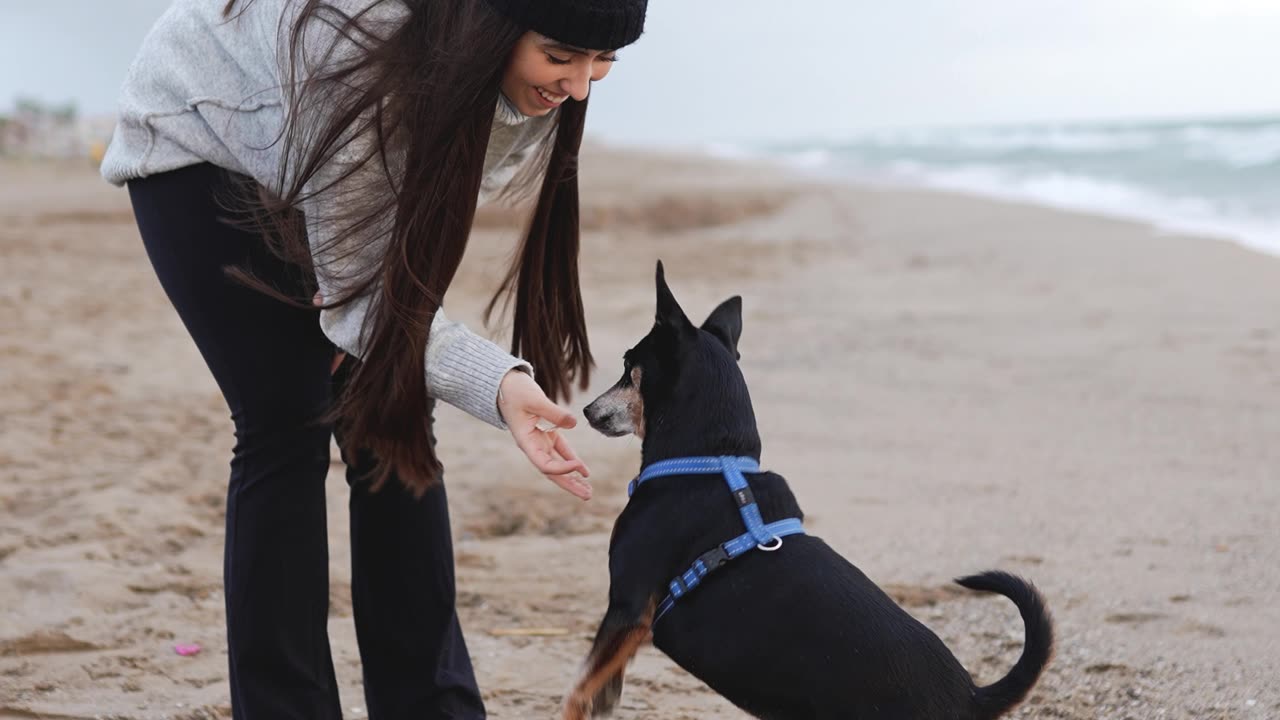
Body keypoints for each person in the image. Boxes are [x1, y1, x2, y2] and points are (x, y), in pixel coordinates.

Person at [101, 0, 647, 717]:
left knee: (392, 420)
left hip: (331, 151)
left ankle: (431, 705)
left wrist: (376, 334)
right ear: (494, 23)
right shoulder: (358, 47)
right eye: (560, 56)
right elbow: (367, 308)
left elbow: (411, 224)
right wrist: (501, 384)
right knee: (285, 418)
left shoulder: (523, 79)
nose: (580, 86)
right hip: (209, 144)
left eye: (603, 61)